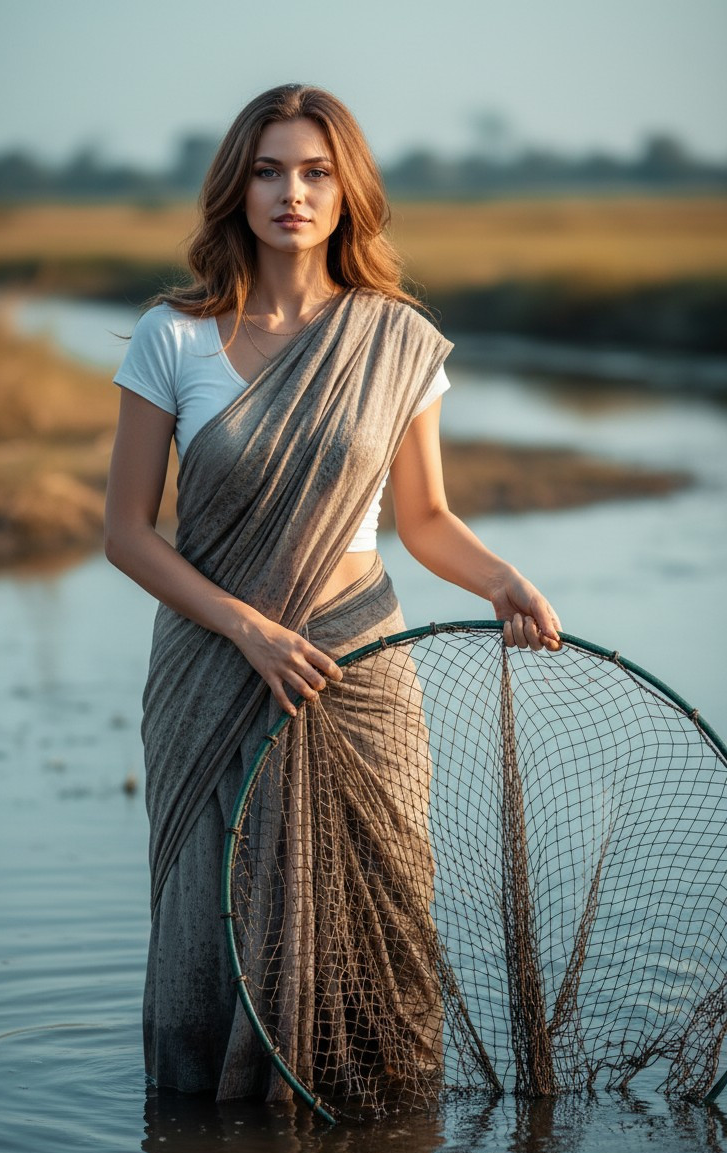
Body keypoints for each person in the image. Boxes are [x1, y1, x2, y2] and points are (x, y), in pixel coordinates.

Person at [104, 83, 561, 1105]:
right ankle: (208, 1119)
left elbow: (426, 519)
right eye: (268, 170)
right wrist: (249, 628)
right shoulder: (172, 338)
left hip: (360, 672)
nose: (291, 194)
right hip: (216, 666)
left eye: (314, 172)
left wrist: (504, 580)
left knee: (383, 914)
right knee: (208, 927)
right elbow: (127, 533)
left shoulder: (393, 339)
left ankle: (384, 1118)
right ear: (237, 186)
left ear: (347, 190)